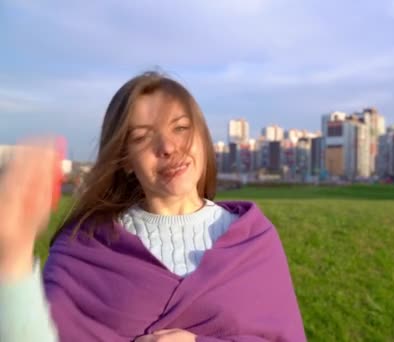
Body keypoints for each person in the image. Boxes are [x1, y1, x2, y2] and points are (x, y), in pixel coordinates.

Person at [0, 71, 306, 341]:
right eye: (143, 137)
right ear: (126, 161)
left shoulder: (254, 240)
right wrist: (13, 255)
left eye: (181, 128)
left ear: (201, 136)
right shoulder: (85, 246)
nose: (168, 148)